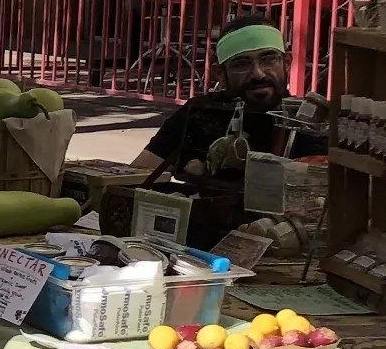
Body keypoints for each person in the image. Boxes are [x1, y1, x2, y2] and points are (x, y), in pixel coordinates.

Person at [132, 16, 321, 247]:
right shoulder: (200, 114)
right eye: (241, 64)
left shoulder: (308, 123)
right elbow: (137, 174)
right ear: (220, 74)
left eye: (268, 59)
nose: (258, 74)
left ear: (287, 63)